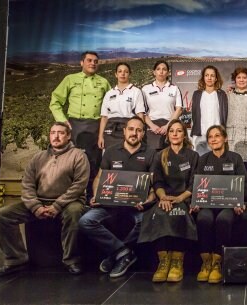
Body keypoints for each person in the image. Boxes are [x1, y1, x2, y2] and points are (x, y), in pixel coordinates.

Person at [0, 122, 89, 278]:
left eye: (60, 133)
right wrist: (35, 206)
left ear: (68, 135)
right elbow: (27, 184)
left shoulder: (78, 156)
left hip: (68, 202)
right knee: (1, 215)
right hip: (40, 202)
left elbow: (79, 186)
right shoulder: (38, 157)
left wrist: (57, 206)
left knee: (74, 212)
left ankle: (71, 260)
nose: (56, 136)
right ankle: (16, 259)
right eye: (52, 133)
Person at [79, 116, 156, 278]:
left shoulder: (151, 154)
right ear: (124, 131)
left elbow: (155, 186)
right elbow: (100, 177)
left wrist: (147, 200)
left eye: (139, 130)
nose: (134, 133)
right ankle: (123, 252)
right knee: (86, 221)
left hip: (136, 205)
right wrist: (96, 195)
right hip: (110, 204)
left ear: (143, 133)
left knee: (145, 221)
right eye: (131, 129)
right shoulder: (111, 151)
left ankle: (116, 254)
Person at [138, 119, 199, 283]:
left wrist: (180, 198)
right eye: (172, 131)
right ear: (168, 134)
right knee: (160, 214)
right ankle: (164, 262)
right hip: (164, 197)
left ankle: (177, 262)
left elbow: (194, 183)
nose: (175, 134)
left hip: (184, 198)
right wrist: (163, 197)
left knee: (178, 213)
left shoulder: (193, 156)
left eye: (179, 131)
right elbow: (157, 181)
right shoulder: (160, 155)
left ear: (184, 135)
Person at [50, 51, 111, 200]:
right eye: (89, 60)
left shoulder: (103, 82)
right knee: (71, 163)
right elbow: (55, 101)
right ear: (81, 63)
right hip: (74, 126)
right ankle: (68, 198)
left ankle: (91, 198)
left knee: (93, 164)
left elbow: (111, 105)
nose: (93, 63)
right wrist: (63, 121)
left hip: (96, 127)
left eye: (96, 61)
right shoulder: (70, 79)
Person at [192, 125, 247, 284]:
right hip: (207, 205)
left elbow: (243, 184)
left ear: (224, 138)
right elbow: (197, 184)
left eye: (217, 136)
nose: (214, 139)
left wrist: (241, 202)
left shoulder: (235, 158)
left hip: (229, 205)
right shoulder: (203, 160)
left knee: (223, 220)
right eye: (210, 137)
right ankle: (206, 262)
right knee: (203, 219)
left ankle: (217, 262)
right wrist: (196, 201)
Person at [98, 63, 145, 149]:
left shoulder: (136, 91)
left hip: (128, 129)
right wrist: (100, 136)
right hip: (110, 130)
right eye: (120, 71)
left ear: (129, 74)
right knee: (111, 158)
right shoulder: (109, 93)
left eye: (126, 72)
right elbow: (104, 117)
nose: (122, 74)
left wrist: (140, 133)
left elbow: (140, 115)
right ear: (116, 74)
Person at [141, 60, 184, 150]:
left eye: (164, 69)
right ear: (154, 72)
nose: (161, 71)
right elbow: (141, 111)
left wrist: (168, 126)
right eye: (158, 69)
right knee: (152, 157)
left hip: (170, 126)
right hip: (151, 126)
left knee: (169, 156)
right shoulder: (145, 89)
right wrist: (152, 126)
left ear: (168, 73)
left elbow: (179, 109)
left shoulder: (174, 88)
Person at [191, 65, 228, 156]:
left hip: (217, 136)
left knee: (217, 164)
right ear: (203, 78)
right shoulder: (197, 94)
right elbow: (194, 115)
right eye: (207, 75)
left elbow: (225, 115)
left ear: (216, 78)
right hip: (201, 135)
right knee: (201, 164)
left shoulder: (221, 94)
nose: (209, 78)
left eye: (212, 75)